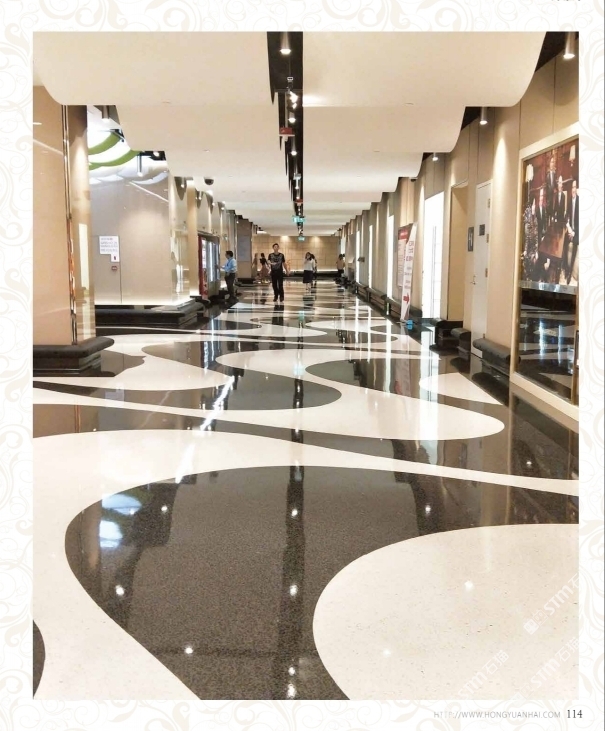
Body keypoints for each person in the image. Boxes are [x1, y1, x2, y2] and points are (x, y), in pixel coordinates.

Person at [563, 179, 579, 285]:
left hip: (576, 232)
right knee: (563, 243)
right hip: (570, 230)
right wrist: (568, 226)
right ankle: (566, 267)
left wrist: (574, 232)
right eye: (572, 187)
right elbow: (566, 216)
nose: (573, 189)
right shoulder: (569, 200)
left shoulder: (580, 201)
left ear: (577, 189)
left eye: (575, 187)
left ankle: (569, 274)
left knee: (574, 248)